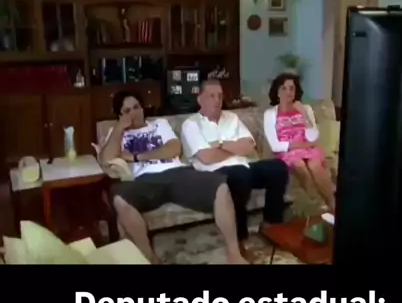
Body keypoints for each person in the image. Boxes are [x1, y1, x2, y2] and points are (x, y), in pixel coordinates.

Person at [99, 91, 248, 264]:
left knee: (220, 186)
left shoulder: (159, 124)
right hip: (144, 180)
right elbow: (106, 159)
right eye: (127, 111)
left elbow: (174, 148)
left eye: (136, 107)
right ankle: (149, 257)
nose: (134, 113)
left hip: (177, 173)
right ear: (119, 115)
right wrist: (119, 128)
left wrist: (136, 157)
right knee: (119, 197)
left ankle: (234, 254)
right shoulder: (116, 133)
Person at [181, 80, 289, 256]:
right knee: (239, 177)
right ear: (200, 99)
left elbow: (249, 146)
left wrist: (220, 145)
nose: (217, 100)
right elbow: (207, 158)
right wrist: (235, 147)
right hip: (213, 174)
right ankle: (239, 240)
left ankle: (271, 224)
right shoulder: (191, 124)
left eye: (220, 96)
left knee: (277, 168)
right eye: (211, 96)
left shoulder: (231, 118)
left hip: (243, 165)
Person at [263, 73, 335, 213]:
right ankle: (316, 203)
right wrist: (301, 145)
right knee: (300, 165)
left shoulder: (305, 109)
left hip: (309, 148)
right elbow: (275, 145)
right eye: (284, 88)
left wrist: (304, 114)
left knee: (315, 166)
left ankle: (333, 205)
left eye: (292, 88)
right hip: (287, 151)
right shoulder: (270, 113)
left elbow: (313, 137)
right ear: (277, 92)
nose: (288, 92)